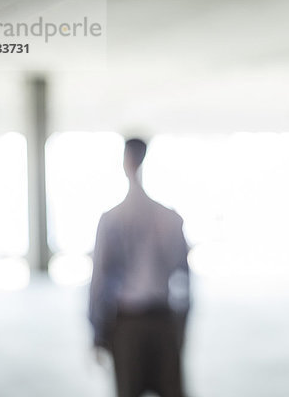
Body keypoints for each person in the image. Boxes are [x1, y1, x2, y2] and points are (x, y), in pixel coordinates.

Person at [89, 138, 190, 397]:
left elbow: (100, 280)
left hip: (128, 324)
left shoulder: (113, 219)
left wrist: (98, 330)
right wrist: (181, 326)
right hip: (163, 320)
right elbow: (184, 279)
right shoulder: (170, 218)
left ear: (126, 162)